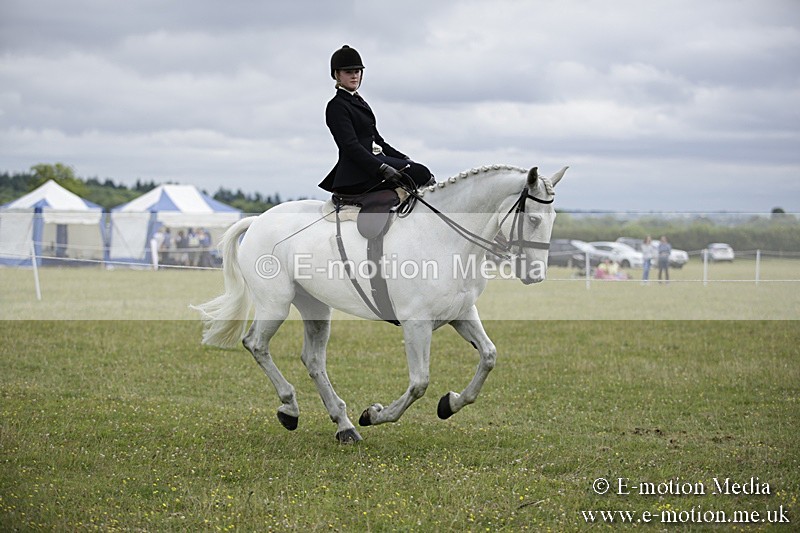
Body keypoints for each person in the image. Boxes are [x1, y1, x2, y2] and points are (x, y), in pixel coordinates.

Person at [319, 45, 433, 195]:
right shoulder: (336, 106)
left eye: (357, 72)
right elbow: (350, 146)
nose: (354, 76)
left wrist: (404, 158)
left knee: (420, 171)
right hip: (358, 170)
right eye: (348, 72)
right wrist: (381, 168)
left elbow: (378, 141)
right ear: (337, 75)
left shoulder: (360, 102)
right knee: (421, 173)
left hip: (376, 160)